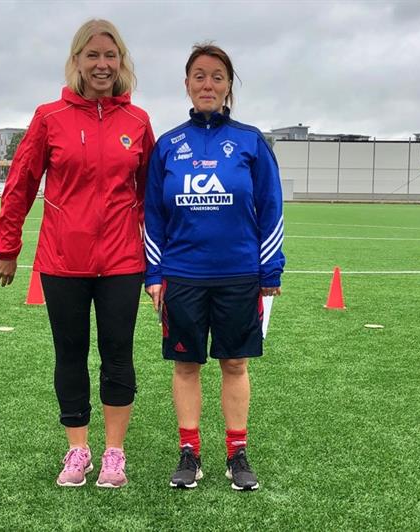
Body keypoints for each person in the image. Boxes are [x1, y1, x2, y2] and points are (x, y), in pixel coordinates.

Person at [0, 19, 154, 489]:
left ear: (121, 62)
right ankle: (78, 449)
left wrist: (160, 262)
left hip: (122, 261)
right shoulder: (50, 117)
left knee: (118, 354)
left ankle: (114, 453)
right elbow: (21, 183)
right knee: (70, 354)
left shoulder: (138, 121)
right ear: (77, 61)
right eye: (92, 55)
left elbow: (152, 196)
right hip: (63, 261)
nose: (102, 64)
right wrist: (8, 247)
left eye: (110, 55)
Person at [144, 43, 285, 491]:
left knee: (235, 364)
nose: (208, 84)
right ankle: (189, 452)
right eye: (200, 76)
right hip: (183, 275)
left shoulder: (250, 141)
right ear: (187, 84)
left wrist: (270, 269)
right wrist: (154, 274)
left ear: (228, 87)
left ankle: (237, 453)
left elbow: (271, 206)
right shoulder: (168, 146)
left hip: (239, 275)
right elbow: (153, 215)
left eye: (217, 77)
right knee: (186, 366)